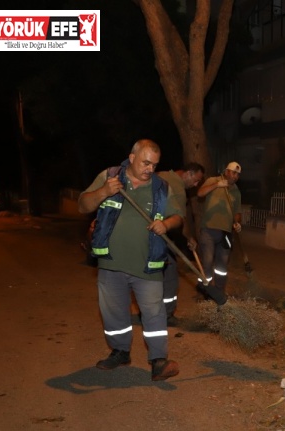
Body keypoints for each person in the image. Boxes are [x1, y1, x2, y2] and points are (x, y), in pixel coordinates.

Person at [78, 139, 183, 381]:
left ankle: (159, 361)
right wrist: (104, 191)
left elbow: (178, 217)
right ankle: (120, 352)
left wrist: (166, 224)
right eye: (146, 163)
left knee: (154, 313)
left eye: (154, 165)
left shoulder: (161, 187)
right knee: (114, 313)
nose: (150, 169)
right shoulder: (110, 176)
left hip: (148, 265)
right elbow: (83, 205)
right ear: (132, 157)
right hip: (111, 262)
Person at [158, 162, 205, 326]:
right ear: (189, 173)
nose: (196, 184)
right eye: (196, 180)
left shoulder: (162, 174)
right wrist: (189, 238)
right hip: (162, 236)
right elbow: (179, 219)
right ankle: (167, 315)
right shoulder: (177, 187)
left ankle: (149, 312)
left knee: (150, 277)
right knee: (170, 277)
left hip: (147, 234)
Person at [196, 161, 243, 305]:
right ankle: (204, 292)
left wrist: (237, 222)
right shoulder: (213, 181)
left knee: (222, 266)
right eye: (233, 173)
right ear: (226, 171)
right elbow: (200, 193)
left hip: (226, 233)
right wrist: (217, 185)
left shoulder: (236, 191)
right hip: (208, 230)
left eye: (238, 175)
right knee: (208, 262)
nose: (235, 176)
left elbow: (237, 212)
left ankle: (219, 293)